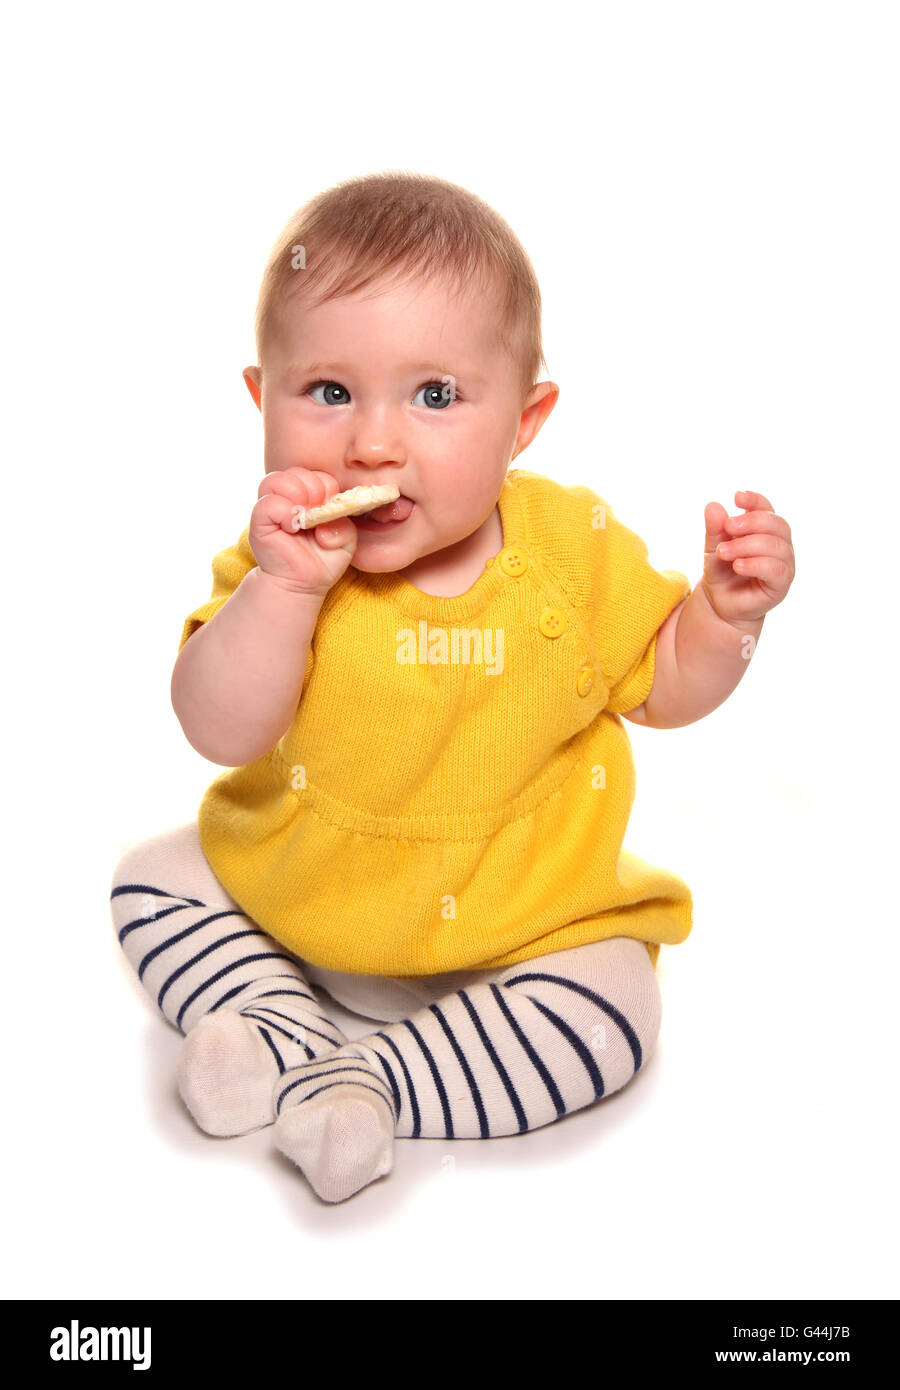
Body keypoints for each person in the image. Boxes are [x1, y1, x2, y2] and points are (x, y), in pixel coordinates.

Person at [109, 170, 795, 1203]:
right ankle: (279, 1012)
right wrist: (285, 591)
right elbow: (218, 727)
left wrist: (726, 617)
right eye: (329, 392)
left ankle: (368, 1081)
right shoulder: (282, 565)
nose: (374, 441)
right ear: (263, 400)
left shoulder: (571, 548)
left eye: (436, 396)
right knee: (152, 877)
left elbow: (663, 685)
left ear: (525, 421)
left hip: (520, 942)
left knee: (617, 1007)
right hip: (298, 908)